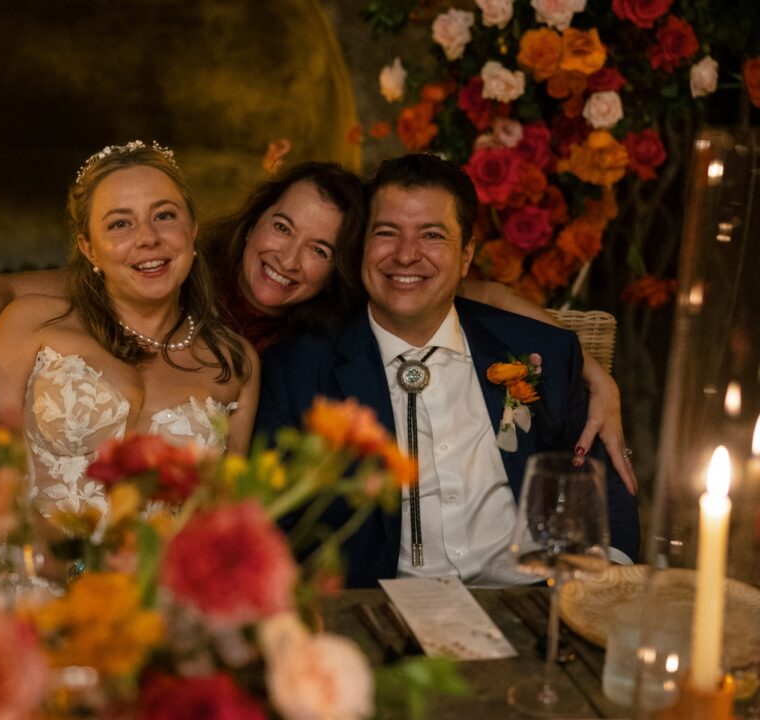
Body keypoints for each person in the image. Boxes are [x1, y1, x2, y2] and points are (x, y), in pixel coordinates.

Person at [0, 160, 637, 494]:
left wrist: (582, 366)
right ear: (254, 220)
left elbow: (470, 288)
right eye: (281, 227)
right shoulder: (168, 265)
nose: (288, 259)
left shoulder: (325, 330)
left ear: (341, 267)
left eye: (321, 249)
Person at [254, 153, 639, 588]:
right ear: (361, 246)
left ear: (466, 254)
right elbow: (276, 522)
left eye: (431, 235)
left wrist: (603, 585)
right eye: (386, 233)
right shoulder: (300, 369)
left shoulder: (542, 352)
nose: (405, 255)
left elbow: (601, 484)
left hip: (530, 600)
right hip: (378, 616)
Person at [0, 141, 258, 519]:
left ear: (193, 230)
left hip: (161, 577)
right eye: (120, 223)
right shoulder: (30, 324)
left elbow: (224, 520)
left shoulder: (234, 362)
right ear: (88, 248)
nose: (147, 238)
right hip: (30, 569)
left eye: (165, 216)